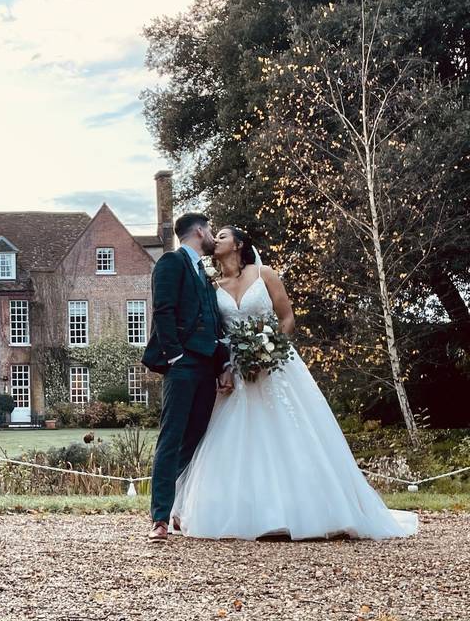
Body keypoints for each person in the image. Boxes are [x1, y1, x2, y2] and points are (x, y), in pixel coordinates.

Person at [170, 226, 418, 540]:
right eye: (213, 235)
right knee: (236, 439)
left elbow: (287, 318)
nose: (215, 239)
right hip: (236, 370)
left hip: (276, 365)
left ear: (240, 243)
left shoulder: (265, 274)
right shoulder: (212, 285)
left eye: (222, 235)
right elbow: (216, 333)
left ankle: (309, 512)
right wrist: (229, 365)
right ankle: (246, 515)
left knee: (291, 431)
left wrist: (269, 350)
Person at [142, 212, 232, 543]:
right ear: (198, 231)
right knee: (171, 438)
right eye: (210, 231)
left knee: (193, 439)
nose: (212, 237)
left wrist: (223, 365)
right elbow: (162, 310)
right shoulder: (171, 263)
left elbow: (215, 323)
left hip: (208, 367)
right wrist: (176, 357)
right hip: (183, 366)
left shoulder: (205, 274)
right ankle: (160, 519)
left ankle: (178, 507)